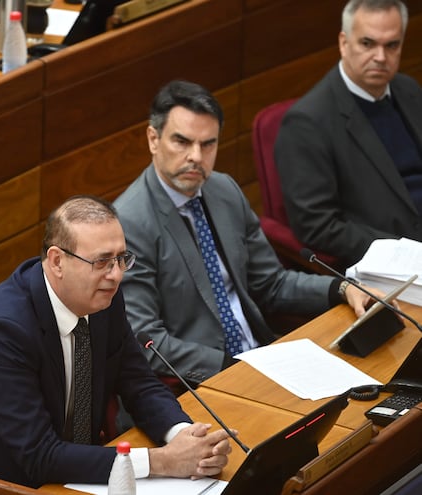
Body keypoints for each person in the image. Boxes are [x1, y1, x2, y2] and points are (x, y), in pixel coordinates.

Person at [0, 195, 232, 495]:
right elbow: (38, 455)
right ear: (57, 261)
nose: (116, 275)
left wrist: (184, 437)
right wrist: (163, 461)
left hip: (75, 472)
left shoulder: (103, 298)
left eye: (121, 259)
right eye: (102, 262)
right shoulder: (0, 331)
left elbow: (139, 384)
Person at [114, 79, 381, 388]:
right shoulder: (129, 223)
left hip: (263, 356)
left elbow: (271, 284)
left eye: (208, 144)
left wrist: (342, 288)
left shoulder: (223, 190)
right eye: (182, 142)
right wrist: (235, 369)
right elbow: (148, 341)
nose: (196, 156)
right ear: (153, 139)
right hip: (198, 382)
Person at [275, 0, 422, 270]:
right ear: (344, 43)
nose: (381, 57)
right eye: (368, 43)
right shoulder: (307, 122)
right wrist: (403, 253)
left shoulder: (408, 89)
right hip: (390, 265)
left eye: (392, 45)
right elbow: (317, 226)